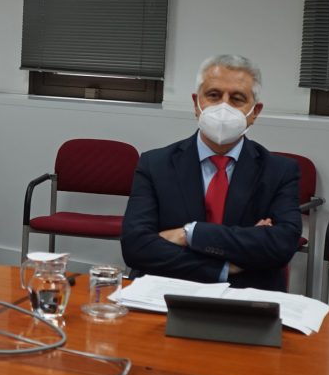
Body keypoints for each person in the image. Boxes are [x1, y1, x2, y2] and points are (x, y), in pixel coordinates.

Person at [121, 54, 301, 291]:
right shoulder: (155, 164)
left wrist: (189, 234)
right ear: (196, 103)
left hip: (248, 296)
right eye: (214, 95)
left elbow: (281, 246)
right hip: (167, 291)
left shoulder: (279, 171)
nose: (223, 107)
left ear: (255, 112)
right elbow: (136, 247)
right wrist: (222, 267)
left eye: (237, 99)